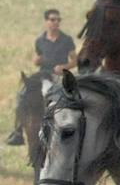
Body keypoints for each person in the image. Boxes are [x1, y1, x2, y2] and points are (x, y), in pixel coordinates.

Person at [8, 8, 73, 144]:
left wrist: (64, 67)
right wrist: (36, 60)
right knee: (22, 94)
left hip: (58, 75)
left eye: (58, 20)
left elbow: (75, 60)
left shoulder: (67, 40)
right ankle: (18, 131)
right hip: (43, 74)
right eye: (53, 19)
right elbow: (37, 57)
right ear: (46, 22)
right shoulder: (40, 40)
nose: (56, 22)